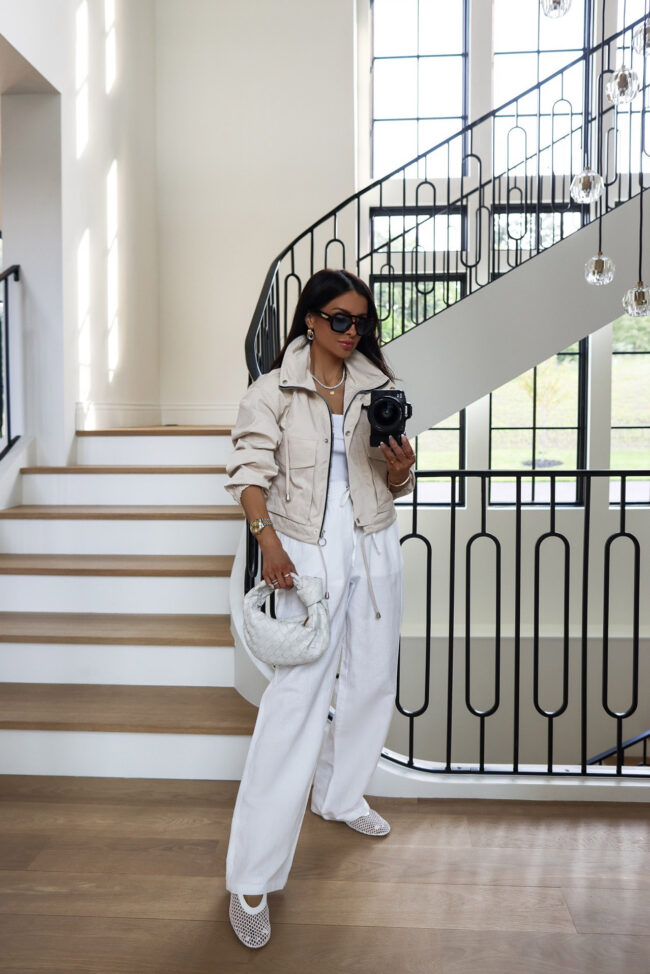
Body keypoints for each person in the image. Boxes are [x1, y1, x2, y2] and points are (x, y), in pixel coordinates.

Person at [222, 268, 416, 949]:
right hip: (302, 548)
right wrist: (267, 542)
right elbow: (249, 474)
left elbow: (391, 477)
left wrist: (401, 468)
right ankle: (251, 875)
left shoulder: (374, 386)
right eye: (339, 319)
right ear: (309, 319)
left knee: (370, 681)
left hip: (373, 540)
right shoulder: (272, 390)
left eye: (360, 320)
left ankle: (340, 795)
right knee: (295, 702)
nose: (351, 331)